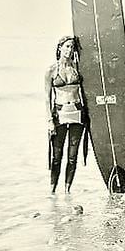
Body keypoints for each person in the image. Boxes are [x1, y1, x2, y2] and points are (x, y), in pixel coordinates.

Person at [45, 36, 89, 194]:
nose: (69, 50)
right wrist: (49, 120)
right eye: (67, 46)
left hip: (77, 113)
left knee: (72, 157)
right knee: (56, 157)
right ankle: (52, 191)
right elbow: (47, 98)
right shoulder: (51, 70)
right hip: (59, 114)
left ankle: (67, 190)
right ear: (59, 48)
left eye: (72, 47)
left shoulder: (78, 68)